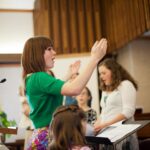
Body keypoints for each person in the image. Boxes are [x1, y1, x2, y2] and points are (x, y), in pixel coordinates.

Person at [21, 36, 107, 149]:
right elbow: (74, 89)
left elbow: (53, 89)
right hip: (47, 137)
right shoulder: (39, 77)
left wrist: (69, 74)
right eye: (49, 49)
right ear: (37, 53)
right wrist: (94, 59)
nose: (54, 52)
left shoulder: (32, 78)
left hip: (42, 136)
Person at [94, 58, 139, 150]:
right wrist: (97, 126)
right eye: (100, 74)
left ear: (113, 72)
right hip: (107, 135)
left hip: (122, 136)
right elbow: (104, 112)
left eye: (104, 73)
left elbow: (128, 112)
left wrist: (105, 124)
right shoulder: (105, 90)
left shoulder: (126, 85)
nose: (101, 77)